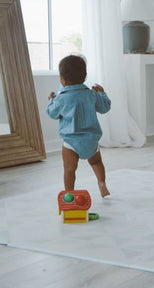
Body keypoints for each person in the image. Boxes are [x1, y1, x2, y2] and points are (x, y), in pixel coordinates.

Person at [47, 55, 111, 197]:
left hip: (71, 141)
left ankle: (69, 194)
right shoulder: (91, 94)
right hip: (91, 139)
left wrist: (52, 101)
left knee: (69, 169)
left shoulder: (61, 98)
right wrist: (102, 94)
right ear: (85, 76)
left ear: (62, 79)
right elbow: (104, 108)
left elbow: (52, 114)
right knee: (96, 162)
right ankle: (102, 183)